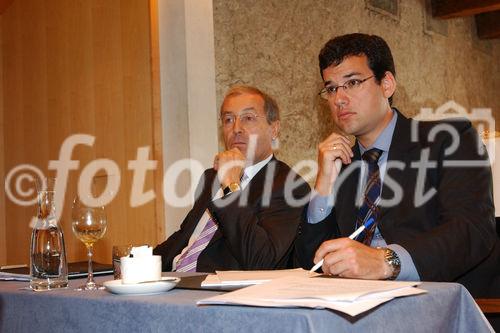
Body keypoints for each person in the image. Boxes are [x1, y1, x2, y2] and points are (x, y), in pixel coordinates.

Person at [295, 33, 499, 297]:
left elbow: (470, 230)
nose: (339, 99)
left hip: (438, 300)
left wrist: (386, 261)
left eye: (353, 82)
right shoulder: (340, 163)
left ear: (387, 84)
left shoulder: (449, 140)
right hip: (352, 305)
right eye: (331, 88)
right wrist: (323, 185)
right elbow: (312, 262)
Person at [154, 85, 310, 272]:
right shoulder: (211, 177)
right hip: (174, 282)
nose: (236, 128)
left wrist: (231, 186)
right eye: (228, 119)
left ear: (274, 129)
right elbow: (184, 238)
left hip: (216, 292)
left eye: (248, 118)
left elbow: (261, 261)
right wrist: (133, 262)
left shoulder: (290, 186)